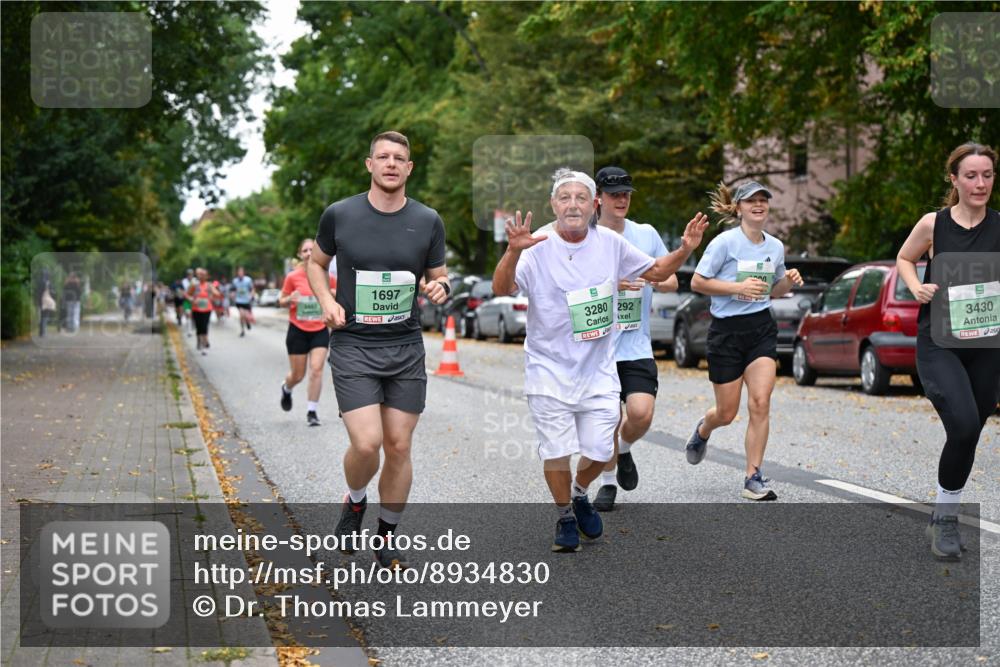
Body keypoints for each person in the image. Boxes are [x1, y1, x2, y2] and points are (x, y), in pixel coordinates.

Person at [492, 168, 708, 553]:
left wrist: (685, 249)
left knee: (599, 450)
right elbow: (502, 287)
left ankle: (579, 492)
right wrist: (512, 251)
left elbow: (658, 271)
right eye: (565, 198)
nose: (572, 205)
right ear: (553, 204)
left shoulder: (611, 243)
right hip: (548, 368)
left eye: (581, 198)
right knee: (556, 451)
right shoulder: (536, 244)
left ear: (593, 205)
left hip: (598, 369)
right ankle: (564, 516)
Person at [307, 130, 450, 569]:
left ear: (409, 168)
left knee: (399, 446)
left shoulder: (427, 220)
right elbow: (316, 264)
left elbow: (440, 275)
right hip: (354, 344)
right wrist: (327, 302)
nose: (391, 163)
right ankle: (355, 500)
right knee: (368, 444)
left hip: (405, 347)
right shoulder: (340, 214)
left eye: (399, 158)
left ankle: (386, 535)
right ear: (369, 165)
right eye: (383, 157)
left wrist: (441, 288)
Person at [896, 142, 1000, 560]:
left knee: (971, 430)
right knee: (963, 425)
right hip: (940, 343)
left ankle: (943, 513)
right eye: (971, 175)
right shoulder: (933, 225)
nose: (980, 183)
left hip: (987, 345)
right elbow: (905, 258)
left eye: (987, 175)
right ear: (954, 179)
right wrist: (915, 286)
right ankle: (945, 520)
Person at [684, 181, 803, 501]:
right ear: (739, 208)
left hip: (761, 328)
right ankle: (704, 430)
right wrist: (736, 288)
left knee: (760, 402)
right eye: (751, 201)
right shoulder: (725, 243)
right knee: (726, 413)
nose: (758, 205)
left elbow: (773, 291)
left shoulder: (775, 247)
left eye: (763, 199)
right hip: (726, 332)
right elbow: (697, 282)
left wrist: (788, 281)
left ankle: (753, 477)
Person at [588, 167, 679, 512]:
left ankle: (624, 449)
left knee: (641, 413)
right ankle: (608, 482)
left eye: (626, 193)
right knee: (608, 418)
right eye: (615, 194)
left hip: (635, 343)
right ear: (598, 199)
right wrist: (613, 284)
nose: (622, 199)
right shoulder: (584, 237)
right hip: (597, 347)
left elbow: (671, 280)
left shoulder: (645, 233)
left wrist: (648, 278)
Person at [280, 239, 337, 426]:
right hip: (297, 329)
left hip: (319, 329)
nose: (308, 253)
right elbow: (281, 301)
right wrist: (290, 298)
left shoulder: (328, 276)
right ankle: (287, 388)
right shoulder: (292, 277)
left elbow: (340, 295)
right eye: (305, 250)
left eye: (312, 249)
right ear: (300, 255)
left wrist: (333, 294)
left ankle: (312, 411)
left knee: (317, 369)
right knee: (298, 375)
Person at [187, 268, 221, 355]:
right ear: (198, 276)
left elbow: (217, 293)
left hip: (207, 309)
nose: (202, 276)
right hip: (196, 309)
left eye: (204, 275)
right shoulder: (195, 285)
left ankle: (204, 346)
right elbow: (187, 294)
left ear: (207, 276)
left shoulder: (209, 285)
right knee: (199, 327)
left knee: (204, 326)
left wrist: (213, 294)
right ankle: (200, 340)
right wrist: (192, 300)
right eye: (200, 275)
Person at [232, 266, 256, 337]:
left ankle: (247, 322)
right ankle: (242, 330)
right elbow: (233, 290)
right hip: (239, 300)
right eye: (239, 272)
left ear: (243, 273)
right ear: (237, 273)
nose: (240, 273)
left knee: (246, 315)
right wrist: (232, 295)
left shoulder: (248, 280)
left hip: (246, 300)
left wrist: (252, 295)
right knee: (241, 315)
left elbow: (252, 289)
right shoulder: (235, 281)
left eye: (241, 272)